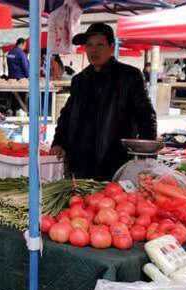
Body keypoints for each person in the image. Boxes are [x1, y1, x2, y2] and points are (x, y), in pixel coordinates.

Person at [51, 23, 156, 180]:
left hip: (115, 161)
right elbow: (67, 115)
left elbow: (146, 116)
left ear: (111, 47)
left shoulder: (129, 76)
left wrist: (146, 157)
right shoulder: (80, 80)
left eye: (100, 44)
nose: (94, 50)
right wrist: (58, 141)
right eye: (89, 45)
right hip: (79, 162)